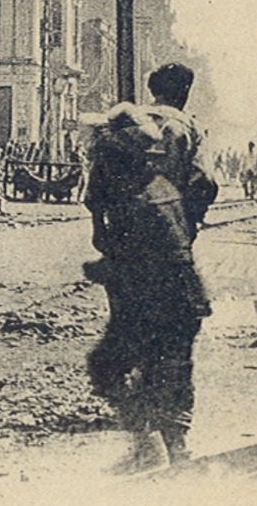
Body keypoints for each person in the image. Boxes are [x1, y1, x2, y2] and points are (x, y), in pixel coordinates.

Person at [82, 63, 218, 470]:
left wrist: (106, 231)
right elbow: (204, 183)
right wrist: (185, 222)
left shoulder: (120, 128)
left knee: (131, 330)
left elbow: (94, 194)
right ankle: (174, 443)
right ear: (186, 93)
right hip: (170, 249)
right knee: (174, 343)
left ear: (151, 89)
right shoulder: (187, 128)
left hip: (125, 248)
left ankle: (143, 435)